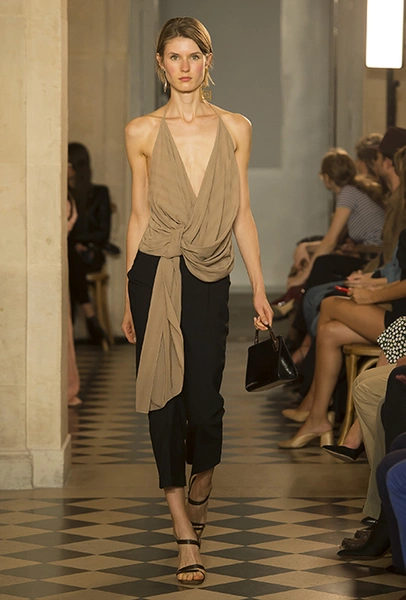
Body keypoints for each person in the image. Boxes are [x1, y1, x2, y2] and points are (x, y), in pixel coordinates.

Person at [121, 17, 273, 585]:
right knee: (163, 401)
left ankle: (203, 480)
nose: (184, 66)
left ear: (208, 61)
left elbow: (242, 212)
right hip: (154, 273)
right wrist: (128, 295)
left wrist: (259, 287)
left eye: (194, 56)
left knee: (205, 402)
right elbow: (138, 215)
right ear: (160, 64)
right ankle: (182, 527)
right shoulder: (141, 131)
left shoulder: (235, 127)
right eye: (174, 56)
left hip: (210, 273)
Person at [68, 142, 112, 342]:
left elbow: (103, 233)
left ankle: (69, 334)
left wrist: (79, 242)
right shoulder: (61, 194)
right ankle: (90, 315)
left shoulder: (100, 193)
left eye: (68, 163)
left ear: (78, 166)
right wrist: (74, 244)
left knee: (70, 263)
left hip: (91, 254)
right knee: (69, 261)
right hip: (71, 253)